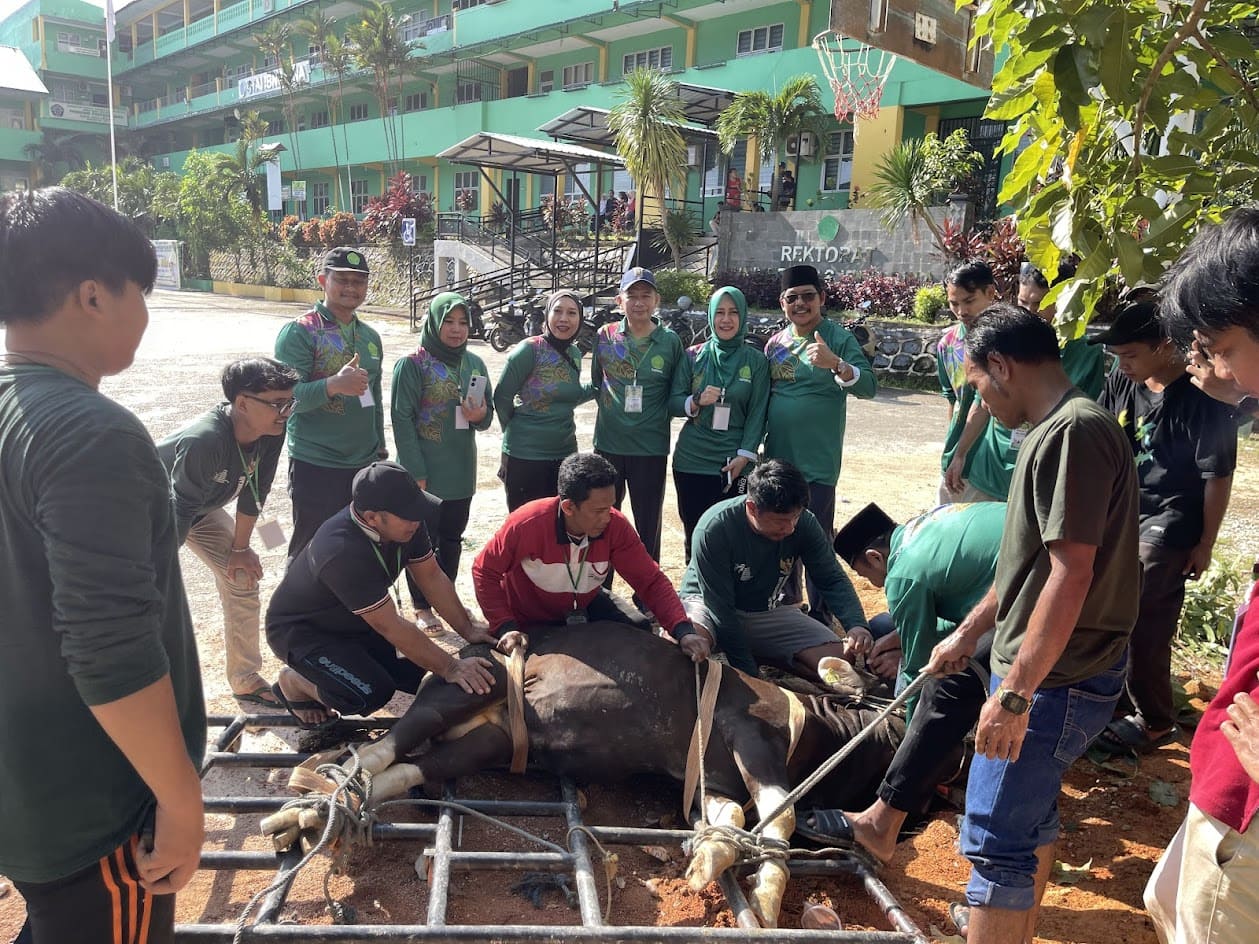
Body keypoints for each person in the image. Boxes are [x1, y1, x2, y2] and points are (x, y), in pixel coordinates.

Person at [0, 187, 205, 943]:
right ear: (92, 294)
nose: (146, 317)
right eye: (139, 294)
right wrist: (180, 803)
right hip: (93, 799)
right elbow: (109, 648)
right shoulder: (90, 434)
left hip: (25, 776)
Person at [922, 304, 1139, 944]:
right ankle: (1013, 925)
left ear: (1002, 365)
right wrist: (968, 633)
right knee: (1031, 814)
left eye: (979, 387)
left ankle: (999, 924)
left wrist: (1015, 693)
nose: (981, 402)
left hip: (1054, 679)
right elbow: (1029, 567)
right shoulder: (1054, 430)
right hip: (1052, 669)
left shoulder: (1072, 432)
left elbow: (1072, 575)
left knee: (996, 837)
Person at [1142, 208, 1259, 944]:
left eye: (1218, 347)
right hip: (1227, 772)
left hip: (1246, 807)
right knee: (1167, 900)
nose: (1211, 369)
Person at [1091, 299, 1236, 755]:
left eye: (1130, 355)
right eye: (1116, 357)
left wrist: (1205, 543)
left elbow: (1218, 475)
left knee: (1144, 610)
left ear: (1166, 346)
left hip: (1171, 520)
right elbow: (1099, 436)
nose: (1122, 365)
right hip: (1124, 512)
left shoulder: (1205, 397)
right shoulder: (1122, 379)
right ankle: (1110, 696)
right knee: (1101, 603)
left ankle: (1155, 720)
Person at [265, 461, 497, 727]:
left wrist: (468, 629)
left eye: (418, 510)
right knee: (369, 693)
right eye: (408, 515)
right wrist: (451, 667)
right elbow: (389, 624)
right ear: (373, 517)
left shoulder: (407, 524)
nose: (417, 520)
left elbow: (431, 577)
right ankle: (296, 683)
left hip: (352, 620)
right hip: (304, 631)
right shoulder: (340, 550)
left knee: (412, 669)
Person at [156, 357, 299, 708]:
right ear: (242, 403)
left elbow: (256, 490)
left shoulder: (270, 431)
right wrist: (157, 571)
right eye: (277, 404)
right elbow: (179, 510)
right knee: (142, 593)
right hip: (151, 507)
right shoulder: (204, 439)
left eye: (289, 402)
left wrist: (240, 548)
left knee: (242, 576)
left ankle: (245, 678)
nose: (285, 412)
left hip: (198, 508)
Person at [471, 452, 710, 662]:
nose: (608, 517)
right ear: (568, 507)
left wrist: (683, 629)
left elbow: (649, 580)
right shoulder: (526, 523)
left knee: (639, 628)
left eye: (610, 507)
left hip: (583, 602)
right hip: (529, 614)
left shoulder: (615, 525)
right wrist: (504, 625)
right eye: (598, 510)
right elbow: (484, 570)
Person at [679, 459, 873, 683]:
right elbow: (720, 608)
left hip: (763, 609)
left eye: (795, 517)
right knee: (684, 644)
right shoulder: (714, 528)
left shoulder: (804, 524)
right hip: (708, 605)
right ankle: (748, 655)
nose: (790, 528)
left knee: (839, 664)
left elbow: (831, 578)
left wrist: (856, 623)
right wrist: (751, 677)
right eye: (780, 521)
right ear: (752, 508)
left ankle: (764, 652)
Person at [763, 264, 876, 622]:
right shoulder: (775, 345)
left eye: (808, 296)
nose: (800, 304)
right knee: (780, 533)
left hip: (818, 462)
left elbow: (868, 386)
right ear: (782, 304)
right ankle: (786, 602)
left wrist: (837, 364)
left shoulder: (837, 337)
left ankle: (822, 612)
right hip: (779, 461)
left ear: (822, 299)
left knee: (816, 538)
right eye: (792, 298)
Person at [950, 261, 1107, 502]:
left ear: (1065, 301)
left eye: (1040, 304)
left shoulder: (1086, 353)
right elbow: (982, 404)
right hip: (991, 474)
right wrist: (960, 453)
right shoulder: (1002, 338)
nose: (1029, 312)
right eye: (1023, 302)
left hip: (1040, 481)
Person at [834, 500, 1004, 708]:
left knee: (946, 679)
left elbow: (918, 673)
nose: (873, 585)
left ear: (875, 557)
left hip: (1023, 602)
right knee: (882, 626)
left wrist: (909, 727)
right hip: (1025, 556)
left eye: (865, 574)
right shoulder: (923, 525)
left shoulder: (901, 576)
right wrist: (901, 638)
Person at [392, 291, 494, 632]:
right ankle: (422, 607)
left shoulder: (474, 364)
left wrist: (479, 415)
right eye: (448, 321)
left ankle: (445, 597)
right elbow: (401, 419)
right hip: (424, 470)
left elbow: (486, 416)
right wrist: (415, 470)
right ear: (434, 323)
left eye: (463, 322)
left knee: (452, 538)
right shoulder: (412, 363)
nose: (456, 329)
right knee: (422, 541)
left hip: (460, 466)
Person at [274, 246, 385, 558]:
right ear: (322, 280)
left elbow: (372, 396)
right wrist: (333, 385)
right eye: (343, 280)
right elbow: (286, 400)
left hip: (362, 462)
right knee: (310, 550)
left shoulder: (370, 337)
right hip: (317, 463)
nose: (351, 288)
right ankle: (296, 608)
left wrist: (380, 447)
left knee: (355, 550)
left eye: (358, 281)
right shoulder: (300, 332)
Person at [591, 267, 687, 572]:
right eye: (632, 295)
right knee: (601, 519)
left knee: (649, 524)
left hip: (650, 447)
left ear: (656, 300)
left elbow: (676, 393)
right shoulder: (605, 336)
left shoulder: (670, 342)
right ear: (620, 301)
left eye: (646, 296)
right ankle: (600, 590)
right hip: (609, 444)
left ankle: (646, 594)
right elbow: (597, 382)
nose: (639, 302)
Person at [669, 286, 769, 562]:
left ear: (743, 316)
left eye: (733, 312)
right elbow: (674, 401)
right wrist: (696, 400)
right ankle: (694, 594)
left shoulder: (756, 361)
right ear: (711, 316)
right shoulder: (692, 356)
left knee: (736, 533)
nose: (726, 320)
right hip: (691, 460)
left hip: (734, 463)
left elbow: (758, 413)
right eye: (720, 313)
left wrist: (744, 455)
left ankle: (730, 598)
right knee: (695, 531)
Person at [495, 289, 597, 511]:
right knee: (526, 527)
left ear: (580, 319)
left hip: (564, 454)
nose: (564, 319)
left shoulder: (575, 354)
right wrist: (515, 429)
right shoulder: (529, 350)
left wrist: (601, 386)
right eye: (557, 311)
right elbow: (501, 397)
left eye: (572, 313)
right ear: (547, 315)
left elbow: (569, 395)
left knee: (559, 525)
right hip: (525, 457)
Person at [937, 260, 998, 503]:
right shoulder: (947, 344)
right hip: (955, 461)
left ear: (990, 293)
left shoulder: (1008, 340)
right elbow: (952, 398)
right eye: (954, 303)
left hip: (994, 464)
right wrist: (954, 450)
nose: (962, 311)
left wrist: (961, 452)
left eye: (969, 301)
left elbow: (984, 402)